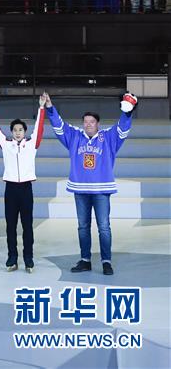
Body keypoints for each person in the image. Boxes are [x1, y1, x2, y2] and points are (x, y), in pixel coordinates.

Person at [44, 91, 137, 276]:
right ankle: (85, 260)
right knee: (83, 226)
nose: (88, 124)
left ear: (98, 124)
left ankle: (106, 261)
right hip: (80, 189)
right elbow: (59, 126)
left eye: (92, 122)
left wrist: (127, 111)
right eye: (85, 122)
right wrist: (49, 107)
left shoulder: (108, 137)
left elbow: (122, 128)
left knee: (104, 227)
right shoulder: (75, 136)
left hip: (102, 190)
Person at [0, 94, 46, 273]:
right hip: (10, 189)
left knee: (27, 226)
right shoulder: (6, 144)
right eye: (15, 130)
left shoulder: (32, 144)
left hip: (26, 189)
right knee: (10, 226)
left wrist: (41, 108)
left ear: (25, 132)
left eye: (20, 130)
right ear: (11, 132)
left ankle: (28, 258)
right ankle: (12, 258)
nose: (18, 132)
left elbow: (39, 127)